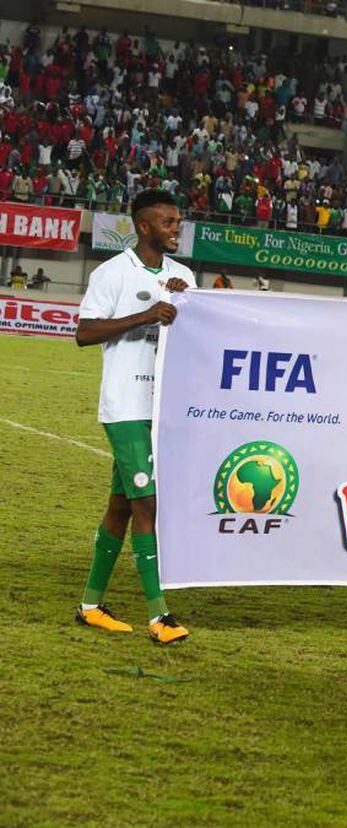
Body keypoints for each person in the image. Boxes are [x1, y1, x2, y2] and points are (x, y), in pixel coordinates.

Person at [73, 189, 196, 645]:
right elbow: (84, 333)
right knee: (148, 505)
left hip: (162, 408)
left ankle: (90, 605)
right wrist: (144, 316)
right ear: (143, 227)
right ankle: (159, 617)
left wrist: (189, 307)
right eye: (167, 222)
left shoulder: (183, 276)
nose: (174, 229)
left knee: (121, 506)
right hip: (125, 407)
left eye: (177, 222)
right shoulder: (112, 274)